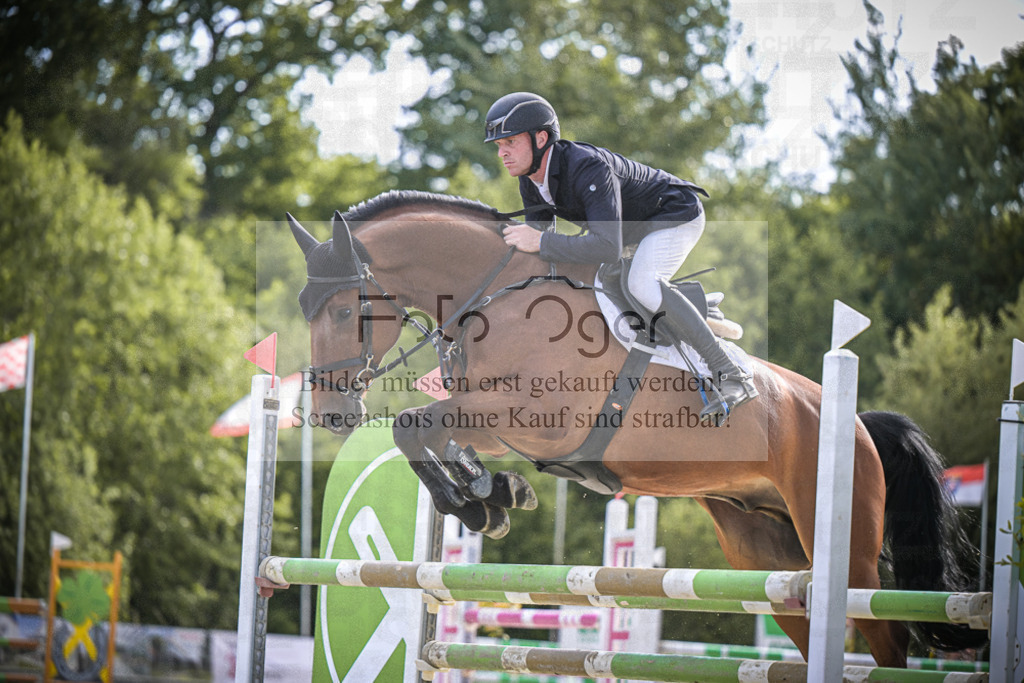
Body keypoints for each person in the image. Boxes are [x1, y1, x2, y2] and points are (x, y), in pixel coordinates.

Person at [485, 91, 757, 421]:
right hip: (631, 231)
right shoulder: (531, 180)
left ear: (540, 138)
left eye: (510, 142)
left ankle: (731, 374)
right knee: (598, 283)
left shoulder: (587, 166)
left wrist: (541, 242)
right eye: (499, 146)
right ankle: (690, 309)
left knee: (642, 284)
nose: (502, 153)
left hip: (674, 215)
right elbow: (541, 259)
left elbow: (603, 247)